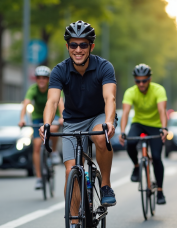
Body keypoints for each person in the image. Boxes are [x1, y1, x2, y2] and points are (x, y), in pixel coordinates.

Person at [39, 20, 117, 223]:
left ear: (91, 46)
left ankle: (106, 184)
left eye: (83, 44)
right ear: (67, 47)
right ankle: (74, 222)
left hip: (98, 116)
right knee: (70, 170)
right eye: (73, 44)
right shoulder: (59, 70)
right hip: (73, 122)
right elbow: (52, 100)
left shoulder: (104, 67)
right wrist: (46, 124)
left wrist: (109, 122)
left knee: (101, 137)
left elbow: (110, 98)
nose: (78, 49)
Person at [119, 63, 168, 205]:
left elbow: (162, 111)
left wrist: (164, 128)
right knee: (130, 142)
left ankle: (159, 191)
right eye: (138, 81)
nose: (141, 83)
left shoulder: (159, 90)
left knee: (157, 157)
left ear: (149, 79)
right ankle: (136, 166)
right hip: (138, 123)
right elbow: (126, 113)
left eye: (144, 80)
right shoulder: (130, 92)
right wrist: (122, 132)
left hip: (156, 125)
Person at [18, 66, 65, 190]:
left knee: (54, 129)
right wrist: (22, 119)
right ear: (36, 79)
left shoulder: (53, 87)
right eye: (39, 78)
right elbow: (25, 104)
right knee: (37, 146)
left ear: (48, 79)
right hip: (38, 118)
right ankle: (39, 178)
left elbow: (60, 103)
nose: (42, 80)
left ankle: (54, 152)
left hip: (53, 117)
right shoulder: (33, 89)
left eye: (44, 78)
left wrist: (62, 117)